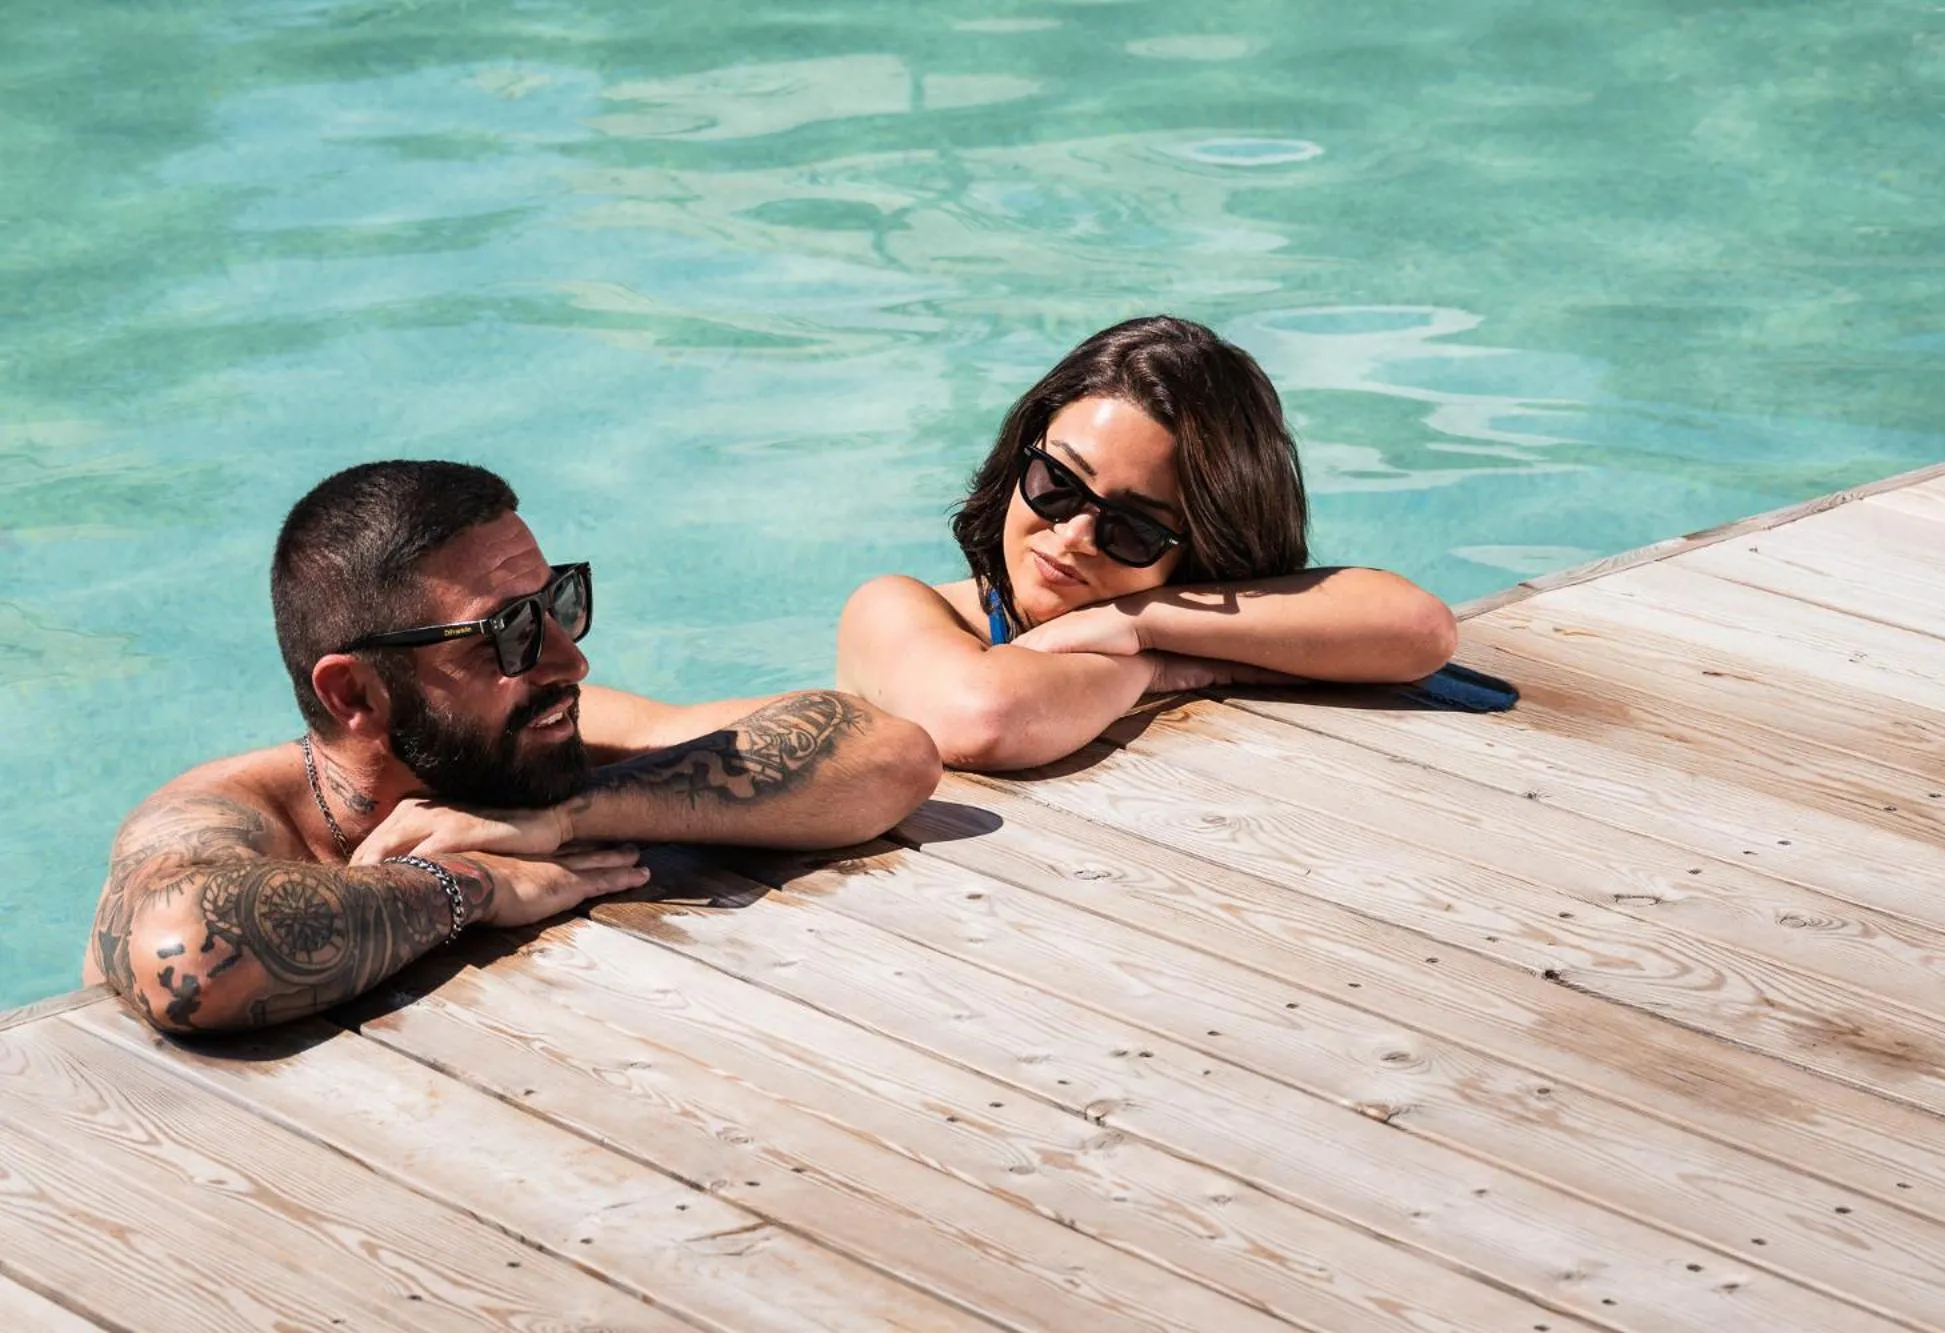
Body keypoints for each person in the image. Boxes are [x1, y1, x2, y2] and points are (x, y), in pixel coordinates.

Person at [84, 460, 942, 1033]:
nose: (570, 658)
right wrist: (469, 885)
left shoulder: (537, 739)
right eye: (507, 633)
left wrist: (564, 819)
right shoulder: (220, 817)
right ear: (353, 693)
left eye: (556, 603)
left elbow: (892, 753)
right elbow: (183, 957)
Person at [837, 315, 1459, 771]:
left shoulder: (1170, 618)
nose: (1075, 535)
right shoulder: (900, 609)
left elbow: (1420, 630)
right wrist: (1154, 666)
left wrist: (1143, 625)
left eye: (1132, 528)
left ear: (1203, 546)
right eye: (1055, 483)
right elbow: (983, 718)